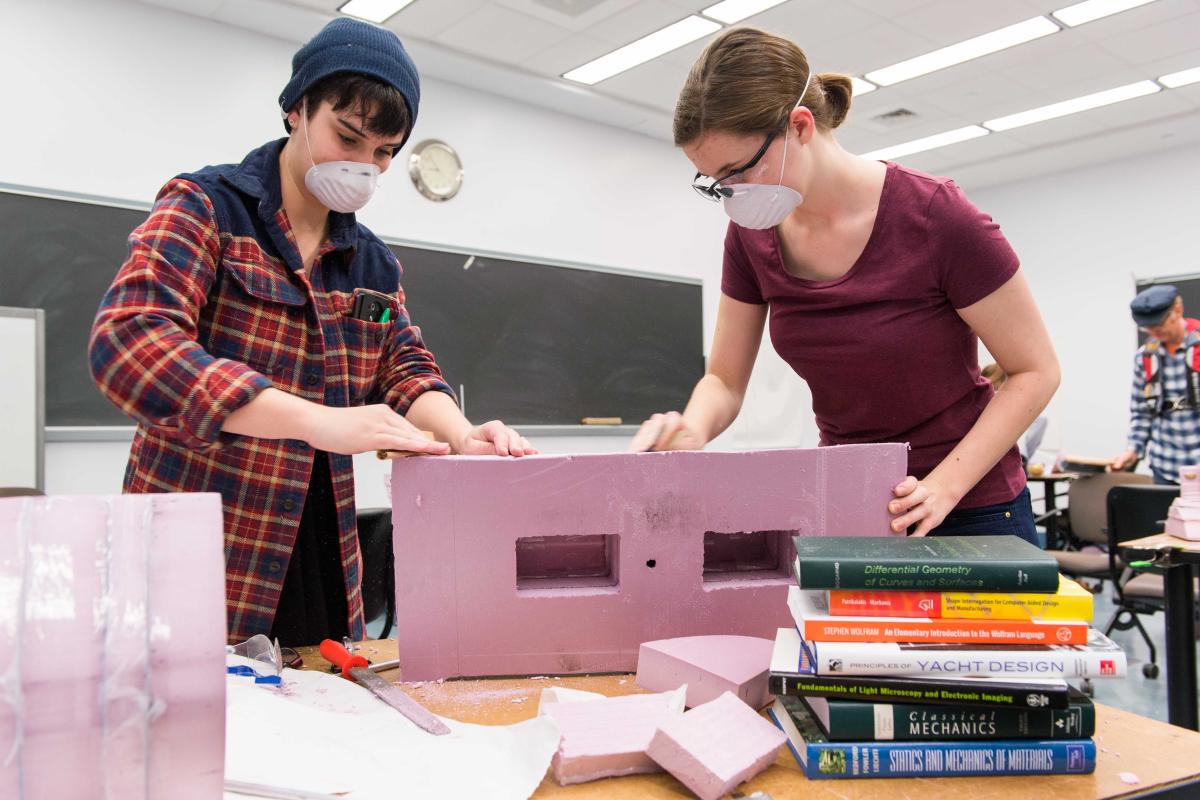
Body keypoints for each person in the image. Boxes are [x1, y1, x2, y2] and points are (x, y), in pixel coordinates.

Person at [89, 18, 534, 646]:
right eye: (347, 137)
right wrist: (313, 419)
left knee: (328, 715)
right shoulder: (207, 207)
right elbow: (130, 343)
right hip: (202, 543)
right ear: (297, 109)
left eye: (383, 154)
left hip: (319, 549)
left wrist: (461, 435)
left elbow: (402, 367)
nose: (363, 166)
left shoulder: (370, 262)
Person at [630, 28, 1060, 545]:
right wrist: (693, 429)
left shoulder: (935, 216)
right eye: (716, 184)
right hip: (849, 498)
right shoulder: (750, 237)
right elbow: (724, 379)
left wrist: (945, 486)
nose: (732, 196)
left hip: (970, 505)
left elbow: (1035, 370)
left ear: (801, 126)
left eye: (738, 172)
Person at [1110, 285, 1200, 484]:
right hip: (1165, 466)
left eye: (1159, 324)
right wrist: (1132, 450)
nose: (1154, 332)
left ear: (1178, 310)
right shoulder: (1145, 357)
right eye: (1148, 327)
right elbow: (1141, 412)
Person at [982, 363, 1048, 466]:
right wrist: (1025, 454)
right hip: (1015, 458)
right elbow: (1042, 420)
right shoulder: (1019, 400)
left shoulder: (981, 400)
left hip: (986, 459)